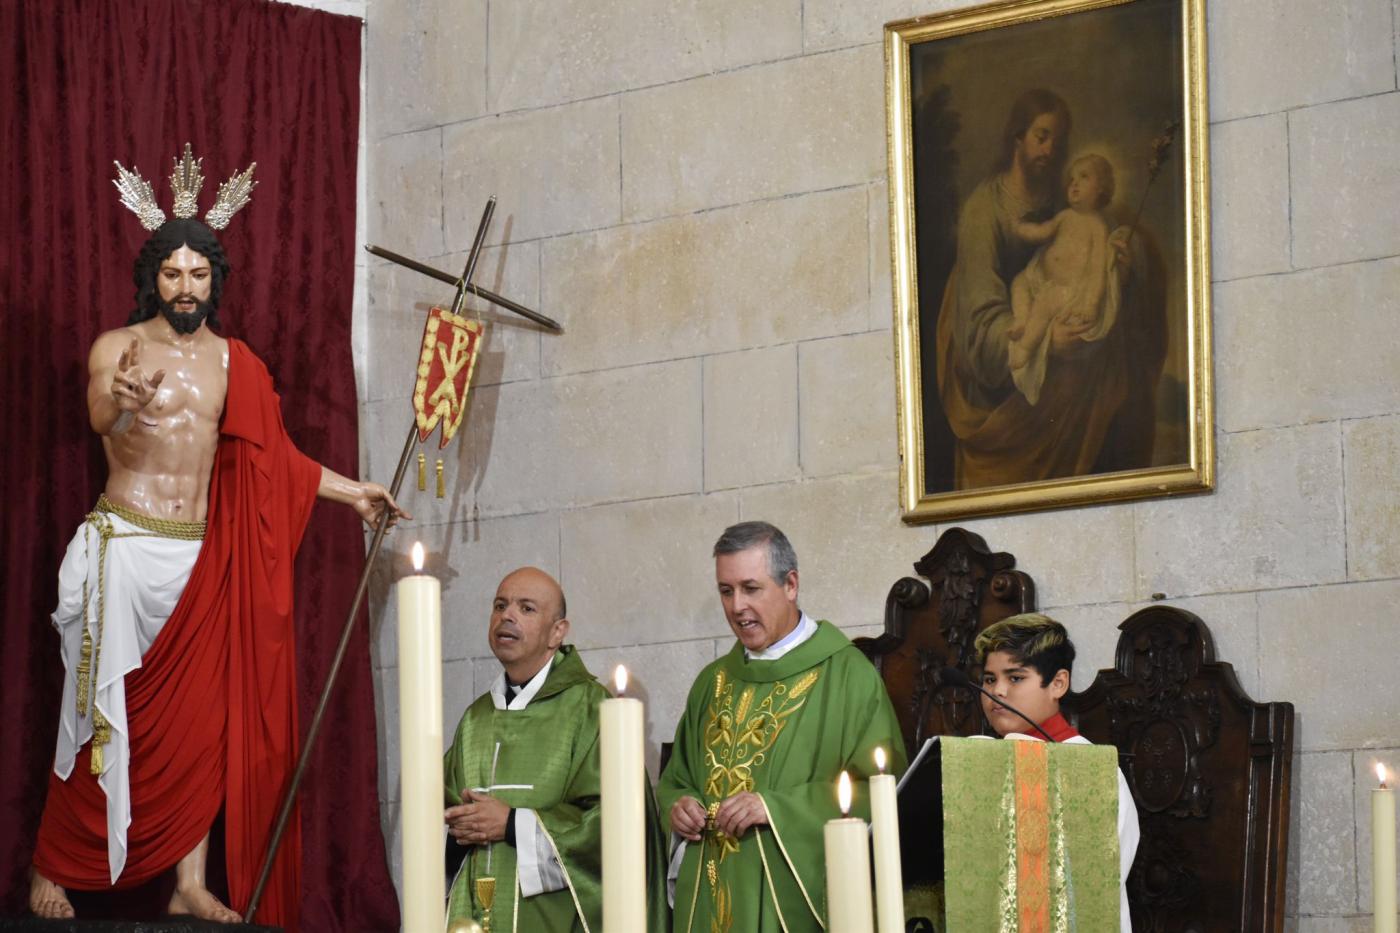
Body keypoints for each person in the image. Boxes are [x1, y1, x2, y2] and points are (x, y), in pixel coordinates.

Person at [29, 154, 406, 929]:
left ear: (216, 280)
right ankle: (54, 861)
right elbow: (103, 409)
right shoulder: (117, 346)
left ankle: (189, 881)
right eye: (173, 272)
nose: (187, 288)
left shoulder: (237, 364)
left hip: (197, 553)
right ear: (152, 276)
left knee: (201, 726)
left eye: (200, 273)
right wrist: (124, 401)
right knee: (100, 713)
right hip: (124, 545)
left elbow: (277, 458)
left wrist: (353, 491)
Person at [658, 522, 907, 932]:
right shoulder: (712, 682)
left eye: (751, 588)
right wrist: (678, 806)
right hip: (709, 895)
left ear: (790, 584)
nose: (736, 606)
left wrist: (775, 809)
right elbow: (677, 777)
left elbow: (881, 794)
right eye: (726, 590)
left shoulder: (846, 676)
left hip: (791, 906)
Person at [935, 89, 1167, 488]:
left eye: (1058, 139)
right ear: (1017, 138)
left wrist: (1122, 268)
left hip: (1069, 388)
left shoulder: (1068, 199)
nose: (1051, 148)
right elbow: (978, 322)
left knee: (1113, 364)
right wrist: (1046, 343)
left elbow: (1094, 263)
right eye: (1042, 136)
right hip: (1002, 401)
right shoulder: (983, 210)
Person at [443, 566, 670, 931]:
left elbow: (619, 823)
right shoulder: (476, 718)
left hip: (559, 917)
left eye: (526, 608)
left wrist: (513, 823)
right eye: (500, 605)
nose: (507, 616)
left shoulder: (592, 710)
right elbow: (448, 803)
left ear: (557, 632)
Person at [974, 613, 1140, 932]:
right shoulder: (974, 763)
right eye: (990, 679)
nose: (998, 692)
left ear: (1058, 683)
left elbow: (1098, 881)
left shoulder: (1091, 771)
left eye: (1015, 678)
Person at [1008, 152, 1127, 405]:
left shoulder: (1097, 227)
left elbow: (1097, 271)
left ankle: (1025, 348)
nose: (1074, 184)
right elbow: (1042, 232)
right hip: (1042, 279)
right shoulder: (1064, 217)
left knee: (1044, 304)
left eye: (1083, 178)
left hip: (1068, 292)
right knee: (1019, 282)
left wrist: (1091, 305)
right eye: (1072, 178)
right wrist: (1021, 229)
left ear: (1101, 190)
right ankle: (1020, 319)